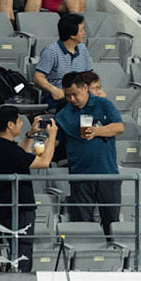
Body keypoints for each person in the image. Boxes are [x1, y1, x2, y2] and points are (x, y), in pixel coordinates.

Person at [0, 107, 55, 270]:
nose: (22, 124)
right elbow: (43, 163)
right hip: (19, 206)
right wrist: (52, 135)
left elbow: (19, 154)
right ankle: (22, 277)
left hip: (9, 204)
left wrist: (30, 134)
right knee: (23, 248)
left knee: (18, 248)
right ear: (10, 124)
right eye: (20, 121)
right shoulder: (7, 149)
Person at [54, 71, 124, 237]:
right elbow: (55, 142)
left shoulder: (103, 104)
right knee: (82, 224)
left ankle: (112, 255)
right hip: (80, 176)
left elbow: (119, 127)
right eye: (67, 96)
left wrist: (98, 131)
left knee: (111, 221)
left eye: (75, 94)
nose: (71, 99)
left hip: (107, 174)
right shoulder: (63, 115)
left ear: (84, 88)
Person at [31, 12, 89, 103]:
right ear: (72, 35)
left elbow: (88, 74)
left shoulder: (83, 49)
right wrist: (53, 90)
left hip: (80, 94)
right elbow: (38, 77)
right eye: (81, 30)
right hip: (60, 96)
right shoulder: (51, 51)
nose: (84, 33)